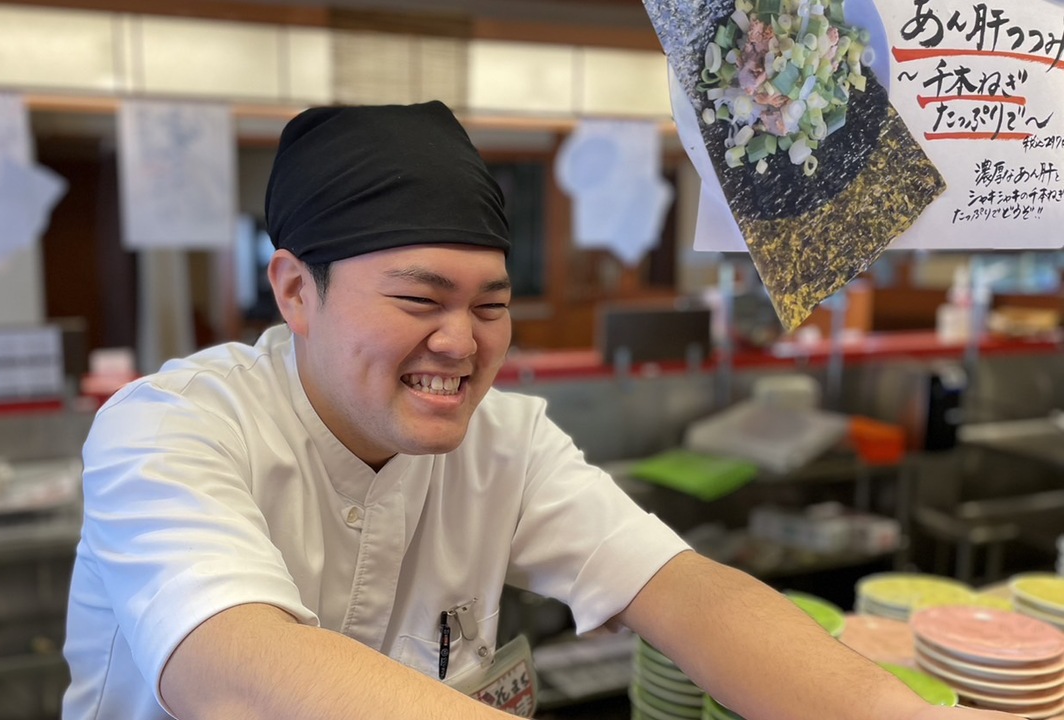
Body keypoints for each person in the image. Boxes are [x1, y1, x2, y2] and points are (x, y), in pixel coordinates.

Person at [62, 100, 1014, 720]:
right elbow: (234, 671)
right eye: (419, 300)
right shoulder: (170, 426)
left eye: (490, 304)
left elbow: (687, 592)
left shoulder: (506, 442)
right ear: (295, 290)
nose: (461, 343)